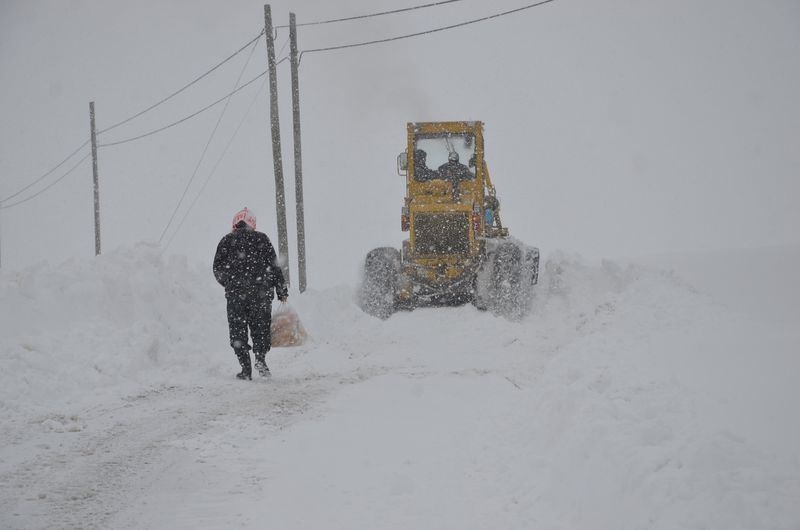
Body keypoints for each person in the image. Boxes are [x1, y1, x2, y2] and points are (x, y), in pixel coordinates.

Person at [213, 207, 288, 380]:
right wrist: (281, 290)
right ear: (252, 223)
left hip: (236, 295)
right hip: (261, 294)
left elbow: (217, 268)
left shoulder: (226, 241)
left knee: (238, 331)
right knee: (260, 328)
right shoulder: (261, 239)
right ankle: (260, 359)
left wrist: (230, 283)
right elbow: (275, 267)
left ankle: (245, 368)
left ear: (235, 223)